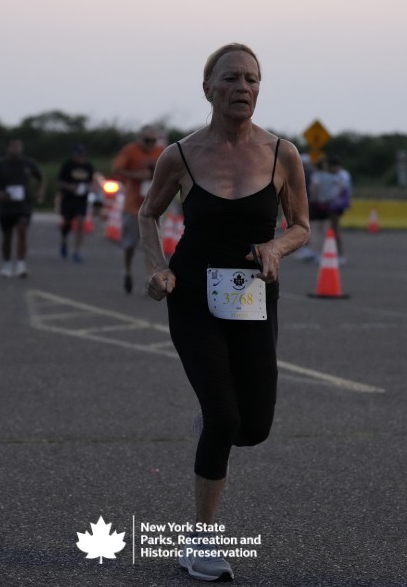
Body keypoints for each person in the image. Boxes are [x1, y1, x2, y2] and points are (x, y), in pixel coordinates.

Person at [139, 43, 309, 582]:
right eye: (231, 78)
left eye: (252, 79)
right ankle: (200, 540)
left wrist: (276, 247)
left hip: (253, 296)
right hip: (193, 294)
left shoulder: (282, 153)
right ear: (208, 87)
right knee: (224, 416)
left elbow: (302, 226)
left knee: (253, 426)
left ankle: (216, 419)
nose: (243, 88)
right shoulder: (181, 155)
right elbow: (148, 214)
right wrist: (159, 269)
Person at [113, 125, 165, 293]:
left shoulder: (161, 151)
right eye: (147, 140)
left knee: (151, 244)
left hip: (154, 205)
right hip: (133, 206)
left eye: (153, 140)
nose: (150, 144)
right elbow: (117, 169)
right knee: (129, 243)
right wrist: (136, 175)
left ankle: (150, 277)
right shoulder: (130, 150)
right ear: (140, 139)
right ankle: (127, 271)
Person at [0, 139, 44, 278]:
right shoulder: (0, 165)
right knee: (7, 236)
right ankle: (6, 264)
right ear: (8, 148)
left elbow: (41, 177)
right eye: (13, 146)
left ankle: (21, 264)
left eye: (18, 146)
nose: (15, 149)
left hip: (23, 205)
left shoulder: (28, 164)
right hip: (6, 205)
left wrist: (39, 191)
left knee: (22, 230)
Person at [56, 144, 95, 263]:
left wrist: (90, 188)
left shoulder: (88, 167)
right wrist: (69, 187)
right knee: (67, 222)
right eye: (78, 154)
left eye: (82, 154)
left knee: (80, 222)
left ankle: (77, 251)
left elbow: (92, 182)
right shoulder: (68, 165)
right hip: (68, 198)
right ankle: (64, 239)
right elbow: (60, 181)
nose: (80, 157)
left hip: (81, 200)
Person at [329, 157, 352, 261]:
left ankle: (340, 254)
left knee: (334, 228)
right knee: (333, 228)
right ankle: (337, 252)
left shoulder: (340, 175)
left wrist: (330, 198)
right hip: (338, 204)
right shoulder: (344, 174)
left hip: (337, 204)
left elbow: (340, 189)